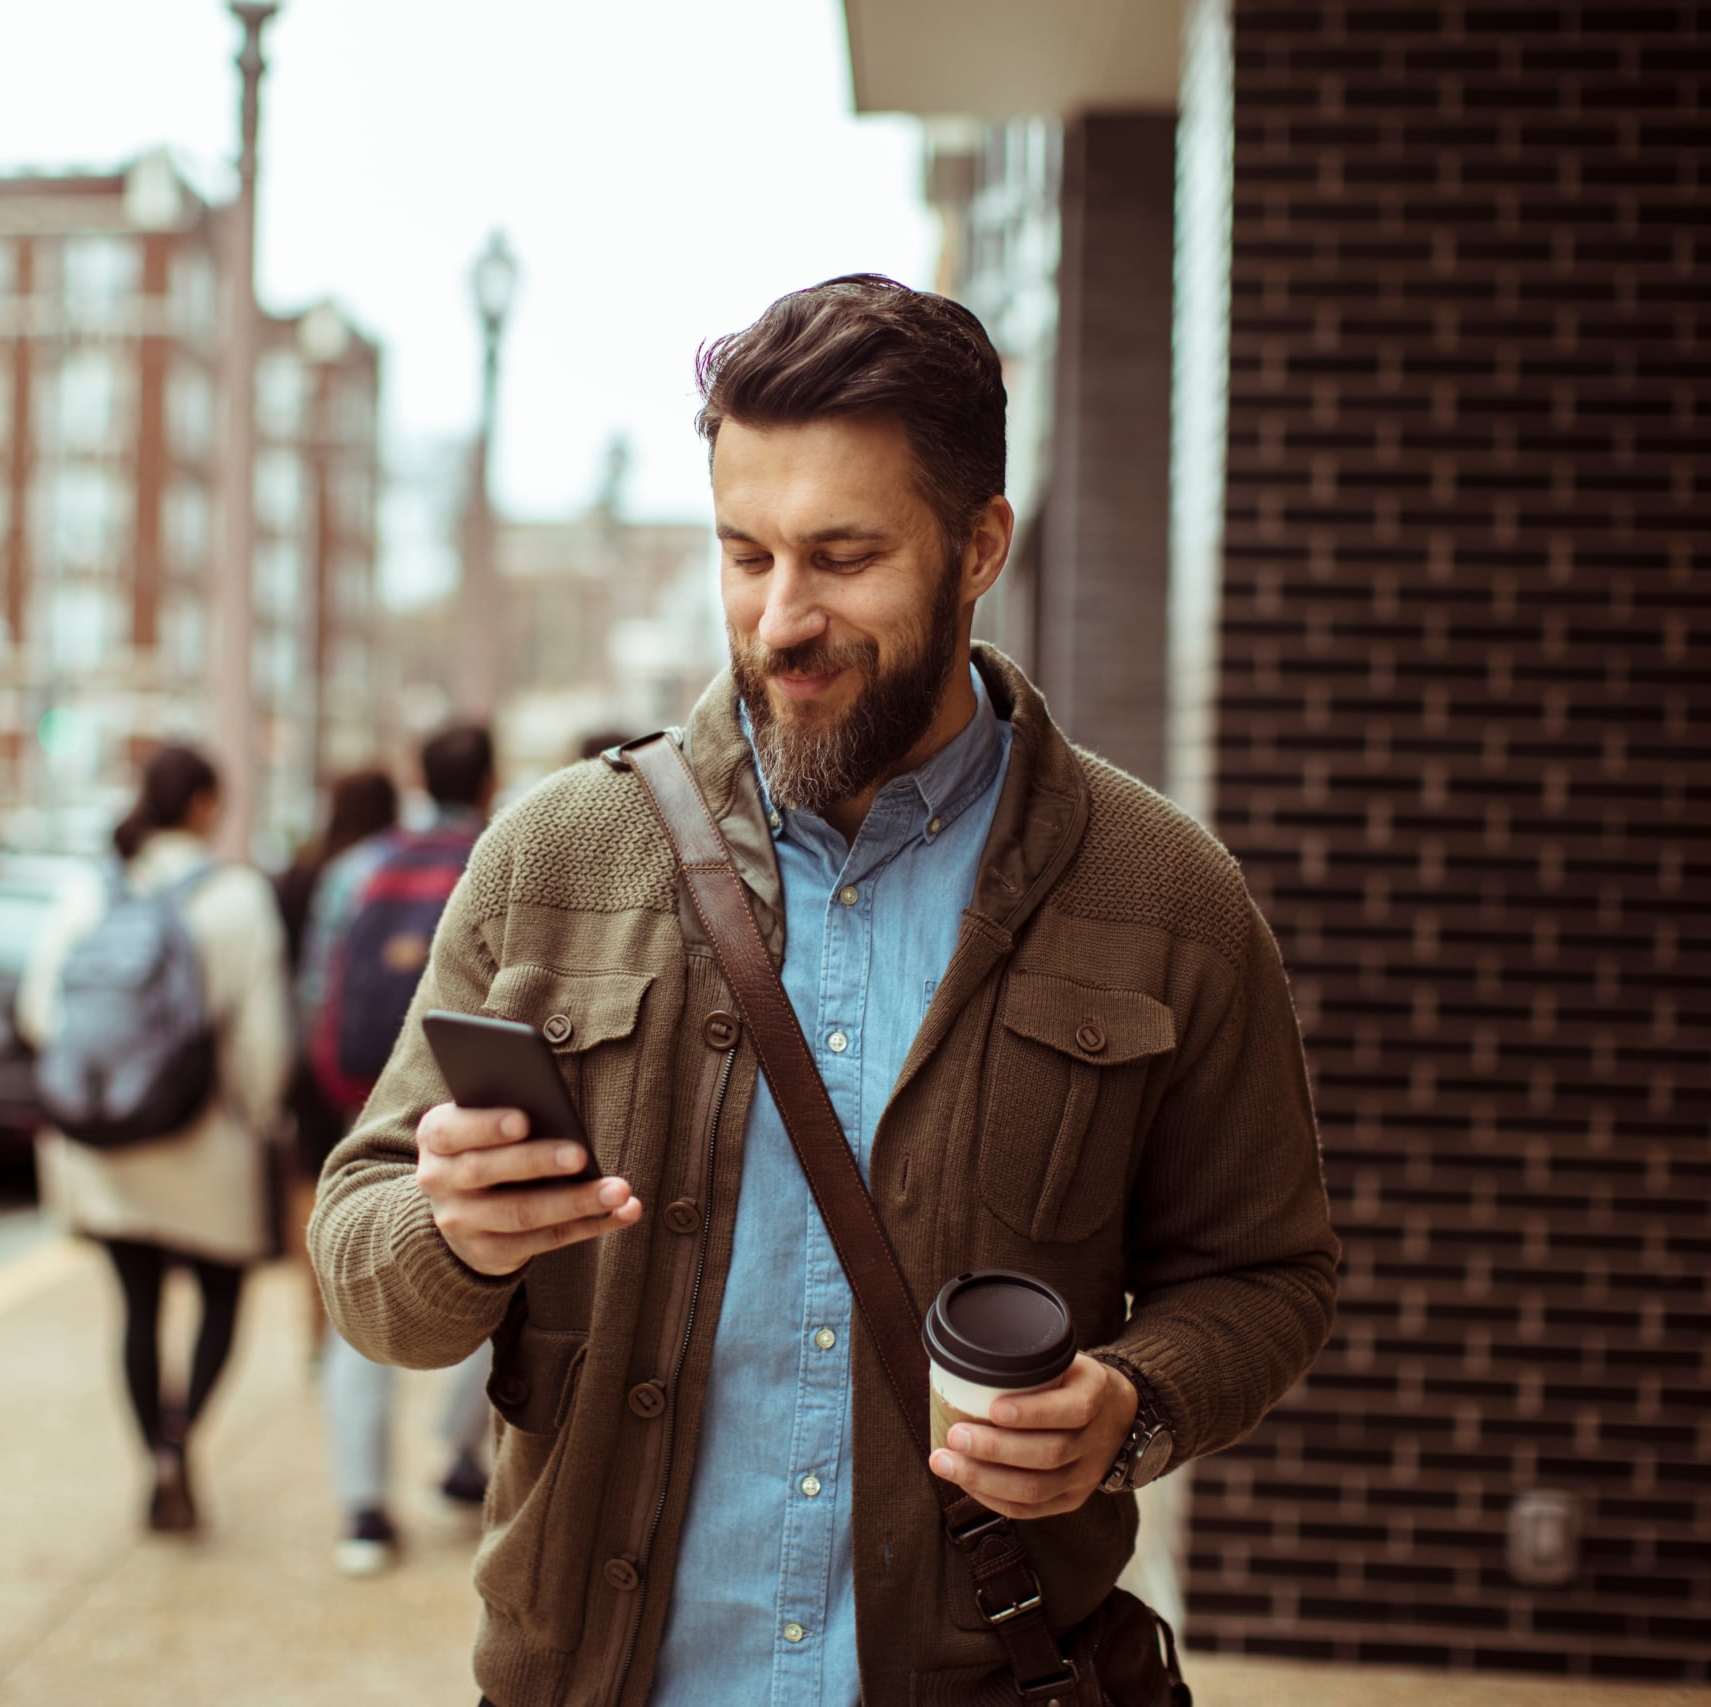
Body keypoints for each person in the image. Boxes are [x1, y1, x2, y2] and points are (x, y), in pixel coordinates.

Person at [312, 276, 1340, 1706]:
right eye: (746, 554)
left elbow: (1269, 1274)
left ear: (982, 543)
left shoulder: (1166, 895)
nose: (781, 617)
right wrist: (451, 1233)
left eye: (843, 556)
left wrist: (1135, 1405)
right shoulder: (555, 855)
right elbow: (363, 1251)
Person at [19, 744, 286, 1535]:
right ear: (205, 803)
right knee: (221, 1297)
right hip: (205, 1138)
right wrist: (260, 1114)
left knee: (135, 1307)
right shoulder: (238, 896)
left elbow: (42, 1014)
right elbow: (264, 1040)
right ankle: (180, 1438)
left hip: (107, 1143)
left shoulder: (87, 892)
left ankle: (153, 1457)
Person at [301, 726, 501, 1576]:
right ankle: (457, 1449)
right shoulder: (502, 858)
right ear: (488, 779)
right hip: (471, 1103)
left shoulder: (360, 867)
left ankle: (363, 1507)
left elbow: (317, 985)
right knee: (505, 1263)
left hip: (365, 1104)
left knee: (362, 1301)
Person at [271, 769, 401, 1268]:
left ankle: (317, 1314)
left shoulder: (306, 872)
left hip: (321, 1052)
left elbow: (309, 978)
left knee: (316, 1177)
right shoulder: (383, 868)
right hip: (383, 1053)